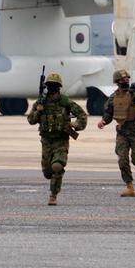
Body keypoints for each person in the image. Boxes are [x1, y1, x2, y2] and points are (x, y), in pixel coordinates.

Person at [26, 72, 88, 205]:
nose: (52, 88)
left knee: (57, 166)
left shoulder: (65, 102)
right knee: (47, 172)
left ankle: (53, 195)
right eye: (50, 85)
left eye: (55, 85)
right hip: (46, 141)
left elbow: (82, 115)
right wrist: (39, 111)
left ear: (59, 87)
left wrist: (75, 125)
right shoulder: (41, 102)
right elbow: (31, 120)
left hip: (61, 140)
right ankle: (53, 179)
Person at [97, 69, 135, 197]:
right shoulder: (113, 97)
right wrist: (103, 122)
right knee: (122, 159)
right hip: (122, 131)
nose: (126, 81)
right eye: (123, 80)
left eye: (127, 79)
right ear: (117, 82)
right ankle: (130, 187)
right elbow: (109, 113)